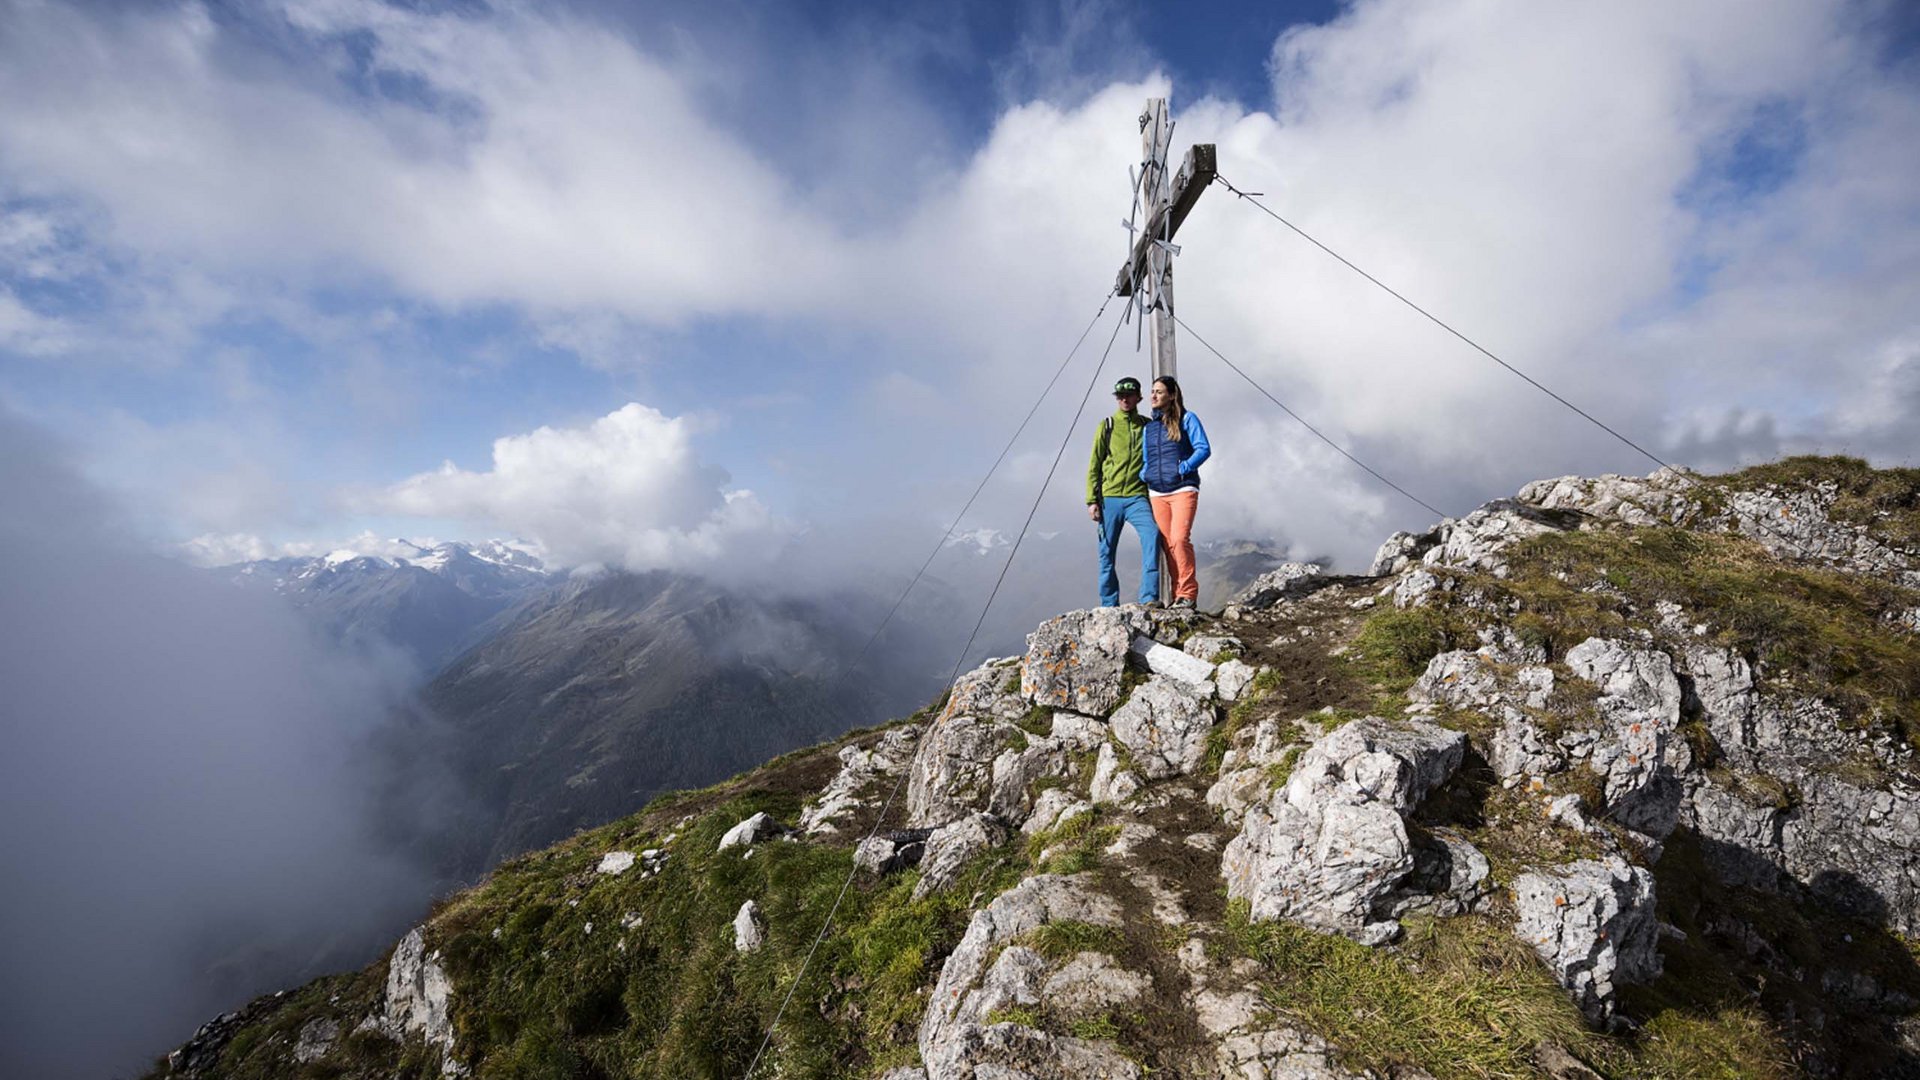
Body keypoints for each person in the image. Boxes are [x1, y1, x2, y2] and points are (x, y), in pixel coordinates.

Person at [1085, 377, 1160, 607]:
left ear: (1138, 397)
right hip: (1110, 498)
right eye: (1120, 396)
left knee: (1152, 535)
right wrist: (1091, 500)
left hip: (1137, 495)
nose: (1124, 399)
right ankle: (1109, 604)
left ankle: (1148, 598)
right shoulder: (1107, 425)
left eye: (1128, 395)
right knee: (1106, 553)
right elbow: (1094, 463)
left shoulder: (1147, 426)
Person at [1141, 375, 1210, 609]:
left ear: (1172, 395)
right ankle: (1177, 594)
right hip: (1157, 492)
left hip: (1183, 488)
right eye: (1152, 391)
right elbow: (1146, 459)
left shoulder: (1188, 418)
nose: (1153, 396)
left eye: (1159, 392)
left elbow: (1203, 448)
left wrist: (1185, 467)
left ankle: (1188, 593)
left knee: (1180, 539)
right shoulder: (1149, 428)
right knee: (1168, 543)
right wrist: (1145, 474)